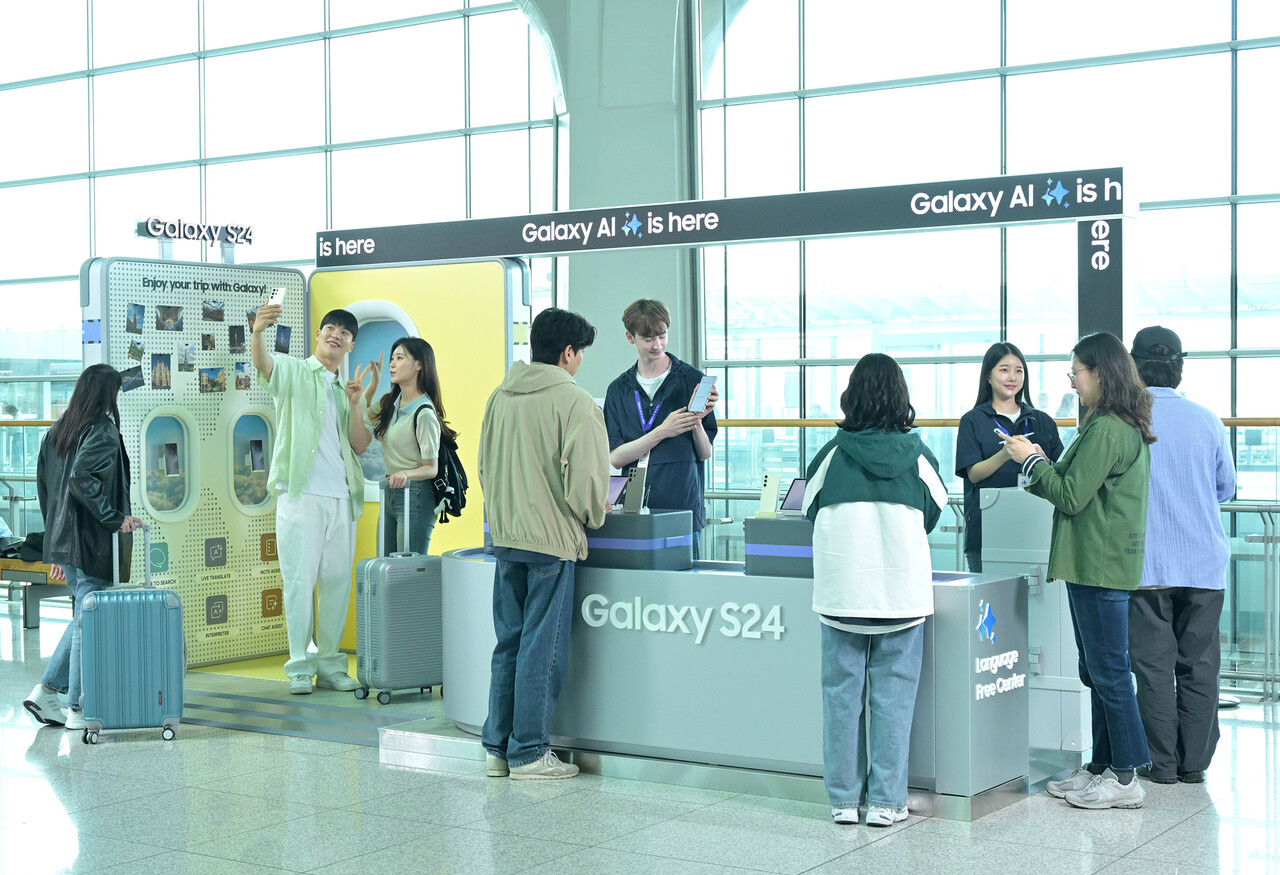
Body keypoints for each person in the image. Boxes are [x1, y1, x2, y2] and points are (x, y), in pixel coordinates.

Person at [1002, 331, 1155, 810]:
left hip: (1099, 564)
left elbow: (1070, 495)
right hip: (1093, 561)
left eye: (1076, 373)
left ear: (1100, 373)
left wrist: (1030, 462)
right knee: (1097, 671)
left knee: (1109, 673)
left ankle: (1126, 777)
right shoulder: (1107, 425)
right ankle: (1101, 768)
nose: (1073, 383)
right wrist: (1042, 463)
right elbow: (1074, 483)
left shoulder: (1108, 428)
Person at [803, 354, 948, 827]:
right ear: (900, 397)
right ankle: (887, 803)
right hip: (900, 598)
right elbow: (935, 512)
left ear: (853, 395)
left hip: (843, 596)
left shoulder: (830, 453)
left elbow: (809, 508)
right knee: (894, 700)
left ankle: (844, 801)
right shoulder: (920, 456)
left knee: (841, 700)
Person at [478, 308, 610, 780]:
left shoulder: (499, 396)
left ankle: (497, 749)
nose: (580, 364)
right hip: (551, 541)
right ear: (568, 353)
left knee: (508, 644)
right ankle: (530, 752)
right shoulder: (576, 403)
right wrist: (595, 516)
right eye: (580, 355)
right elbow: (589, 484)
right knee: (541, 648)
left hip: (506, 535)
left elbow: (485, 467)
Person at [1127, 326, 1236, 785]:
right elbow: (1225, 488)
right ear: (1179, 365)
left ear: (1133, 366)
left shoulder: (1123, 421)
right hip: (1204, 565)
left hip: (1146, 564)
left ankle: (1162, 765)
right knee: (1200, 664)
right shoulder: (1207, 418)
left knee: (1154, 668)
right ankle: (1195, 765)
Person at [253, 303, 370, 695]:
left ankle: (331, 664)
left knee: (336, 581)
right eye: (330, 329)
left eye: (344, 333)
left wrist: (356, 404)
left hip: (342, 497)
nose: (336, 335)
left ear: (350, 344)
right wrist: (257, 333)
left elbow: (358, 444)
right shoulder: (294, 370)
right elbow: (265, 365)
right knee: (300, 583)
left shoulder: (347, 388)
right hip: (301, 496)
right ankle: (300, 666)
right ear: (319, 335)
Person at [22, 364, 143, 731]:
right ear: (107, 393)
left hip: (67, 545)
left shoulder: (58, 432)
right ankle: (75, 706)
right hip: (92, 543)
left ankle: (46, 693)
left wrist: (56, 546)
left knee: (82, 618)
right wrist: (114, 518)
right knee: (86, 623)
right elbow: (80, 480)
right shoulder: (103, 430)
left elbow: (46, 492)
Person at [603, 299, 718, 558]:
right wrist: (663, 431)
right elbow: (616, 456)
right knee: (639, 593)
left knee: (687, 591)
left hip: (683, 506)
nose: (657, 345)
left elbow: (704, 453)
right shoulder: (618, 390)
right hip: (634, 509)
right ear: (630, 337)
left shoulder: (692, 380)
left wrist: (697, 421)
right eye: (647, 338)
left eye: (662, 336)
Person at [955, 342, 1064, 572]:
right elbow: (973, 474)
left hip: (1037, 528)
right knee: (990, 606)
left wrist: (1042, 461)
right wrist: (1005, 454)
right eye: (1004, 370)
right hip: (987, 531)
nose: (1012, 377)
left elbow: (1062, 472)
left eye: (1019, 370)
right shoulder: (973, 420)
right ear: (988, 375)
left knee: (1039, 606)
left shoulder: (1042, 420)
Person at [358, 337, 455, 554]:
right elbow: (360, 415)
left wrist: (406, 474)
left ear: (419, 365)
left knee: (407, 571)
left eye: (399, 358)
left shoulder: (424, 413)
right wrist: (373, 384)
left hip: (416, 495)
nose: (392, 364)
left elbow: (432, 468)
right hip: (391, 492)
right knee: (384, 566)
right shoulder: (390, 402)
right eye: (392, 358)